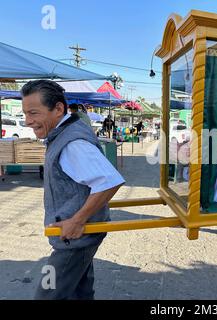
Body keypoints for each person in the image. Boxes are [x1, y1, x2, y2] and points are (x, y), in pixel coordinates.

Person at [21, 80, 125, 300]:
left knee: (47, 295)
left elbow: (109, 181)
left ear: (58, 109)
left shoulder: (72, 143)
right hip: (77, 238)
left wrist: (77, 220)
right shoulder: (64, 132)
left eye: (33, 113)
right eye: (25, 113)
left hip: (74, 239)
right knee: (80, 292)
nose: (28, 121)